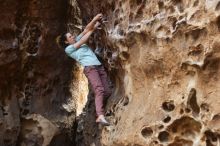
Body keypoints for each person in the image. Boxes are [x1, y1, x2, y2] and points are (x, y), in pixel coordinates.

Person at [56, 14, 112, 126]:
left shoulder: (75, 40)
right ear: (66, 41)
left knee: (107, 91)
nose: (72, 36)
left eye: (72, 35)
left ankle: (102, 111)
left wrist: (94, 19)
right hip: (90, 68)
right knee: (99, 89)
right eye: (70, 37)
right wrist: (94, 28)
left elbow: (86, 29)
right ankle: (100, 116)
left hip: (98, 66)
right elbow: (83, 40)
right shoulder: (69, 49)